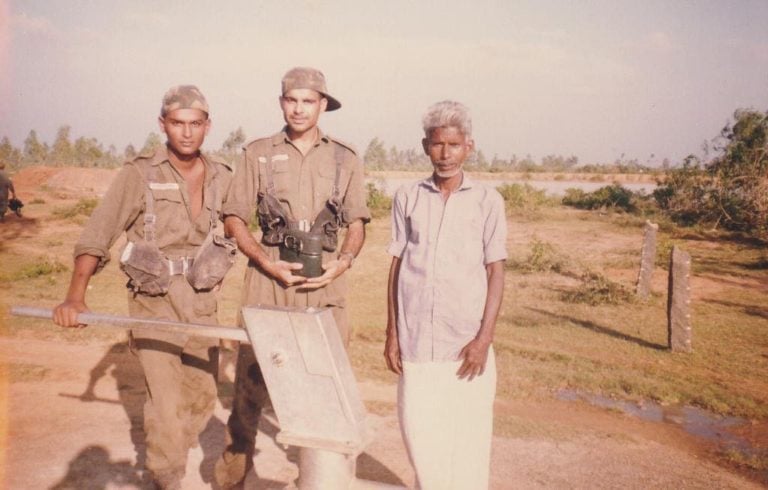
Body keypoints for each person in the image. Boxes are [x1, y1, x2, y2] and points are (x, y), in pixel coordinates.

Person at [52, 85, 234, 489]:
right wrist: (75, 297)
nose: (186, 132)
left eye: (195, 124)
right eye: (177, 123)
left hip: (203, 299)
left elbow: (241, 226)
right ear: (162, 124)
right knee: (165, 403)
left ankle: (171, 449)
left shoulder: (223, 175)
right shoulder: (139, 174)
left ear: (208, 126)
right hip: (154, 299)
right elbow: (98, 234)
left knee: (202, 397)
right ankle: (166, 476)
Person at [215, 66, 371, 488]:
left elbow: (357, 222)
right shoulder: (257, 153)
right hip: (268, 280)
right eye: (292, 100)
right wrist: (265, 262)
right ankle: (232, 478)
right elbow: (234, 217)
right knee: (250, 387)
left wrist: (344, 262)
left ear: (323, 105)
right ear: (281, 103)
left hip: (324, 284)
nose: (299, 109)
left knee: (327, 388)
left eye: (308, 101)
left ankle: (321, 480)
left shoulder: (345, 157)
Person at [384, 100, 507, 490]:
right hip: (417, 341)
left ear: (469, 146)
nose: (445, 154)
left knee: (468, 444)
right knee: (421, 441)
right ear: (425, 146)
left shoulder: (488, 201)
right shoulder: (408, 196)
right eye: (438, 144)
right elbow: (397, 265)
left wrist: (483, 340)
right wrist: (393, 333)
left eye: (454, 145)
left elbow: (495, 271)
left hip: (466, 344)